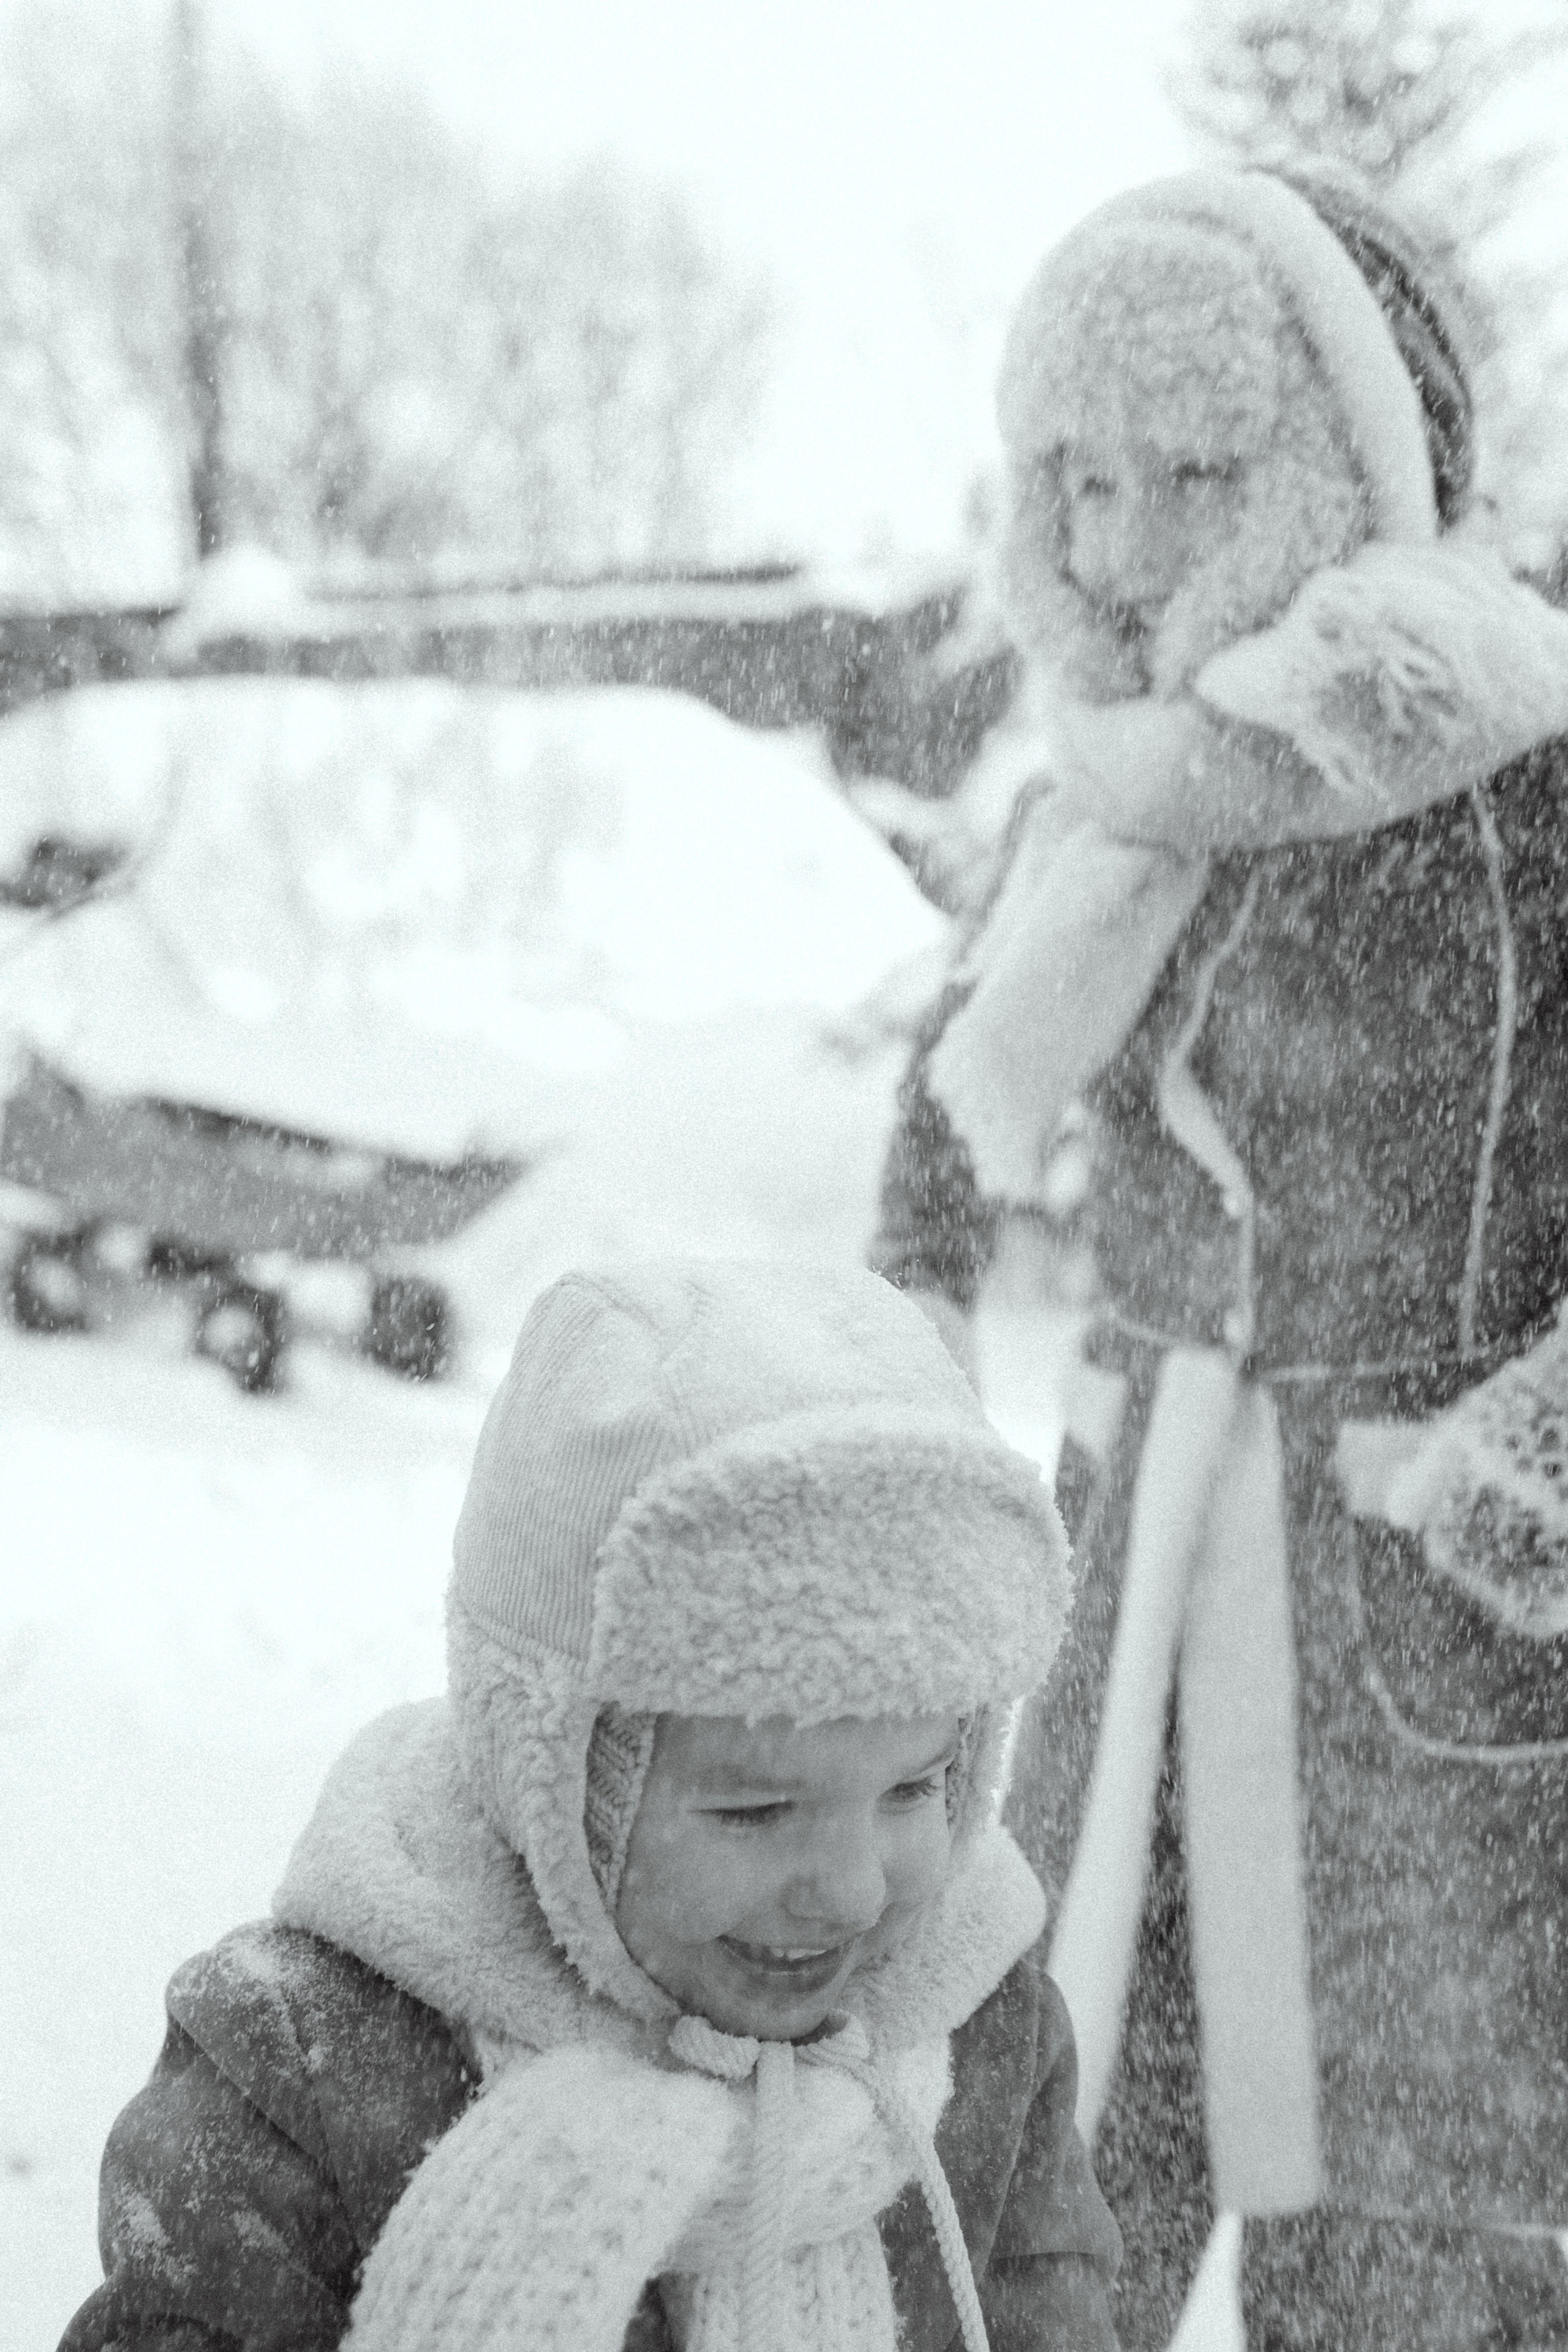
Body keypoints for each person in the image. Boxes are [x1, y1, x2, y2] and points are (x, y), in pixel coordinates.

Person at [872, 165, 1568, 2351]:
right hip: (1115, 1613)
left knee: (1424, 2220)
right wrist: (893, 1476)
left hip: (1427, 1668)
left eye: (1184, 474)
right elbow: (926, 1174)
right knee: (1038, 2162)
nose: (1107, 548)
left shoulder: (1522, 802)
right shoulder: (1087, 813)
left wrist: (1516, 1483)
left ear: (1348, 469)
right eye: (1073, 479)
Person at [61, 1260, 1121, 2352]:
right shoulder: (316, 2065)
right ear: (553, 1772)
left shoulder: (981, 2040)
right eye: (755, 1811)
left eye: (916, 1787)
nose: (853, 1892)